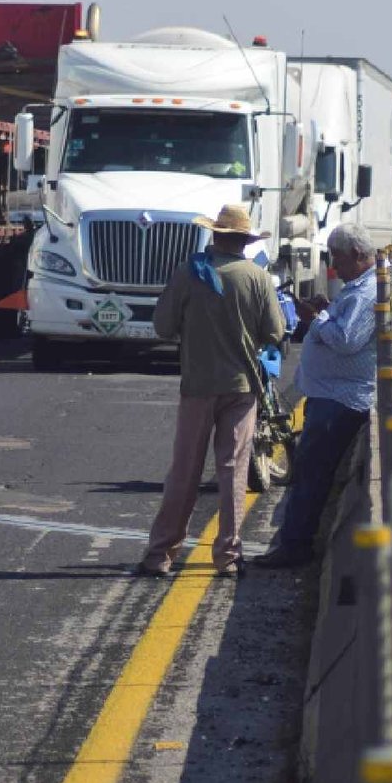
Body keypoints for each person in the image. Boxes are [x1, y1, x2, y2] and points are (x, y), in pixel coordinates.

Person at [135, 205, 286, 579]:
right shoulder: (257, 277)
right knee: (233, 472)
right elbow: (275, 333)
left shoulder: (189, 273)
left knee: (184, 471)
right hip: (241, 389)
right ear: (245, 242)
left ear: (215, 236)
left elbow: (162, 327)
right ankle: (229, 557)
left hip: (198, 387)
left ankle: (160, 554)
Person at [253, 224, 378, 569]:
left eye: (338, 258)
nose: (335, 266)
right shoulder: (359, 287)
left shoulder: (366, 293)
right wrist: (326, 311)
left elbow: (346, 340)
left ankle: (296, 545)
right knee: (310, 468)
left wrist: (317, 318)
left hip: (341, 398)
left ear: (356, 254)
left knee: (311, 470)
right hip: (332, 394)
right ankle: (296, 540)